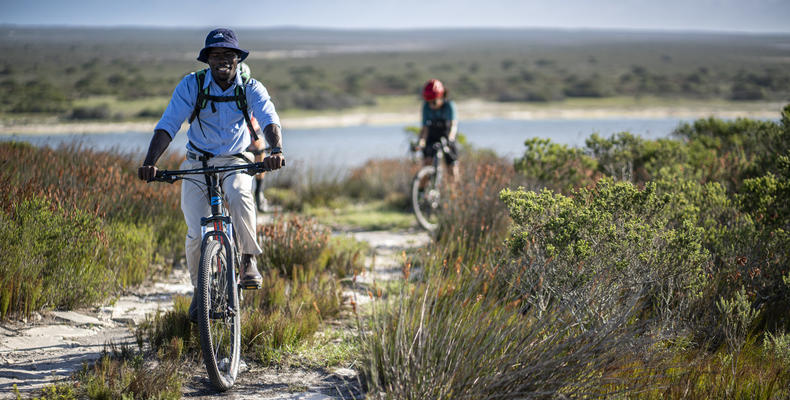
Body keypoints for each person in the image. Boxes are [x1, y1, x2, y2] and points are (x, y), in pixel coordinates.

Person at [137, 28, 284, 322]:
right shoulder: (192, 86)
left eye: (228, 55)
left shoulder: (251, 87)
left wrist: (276, 148)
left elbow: (268, 118)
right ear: (207, 59)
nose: (222, 61)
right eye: (215, 55)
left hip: (235, 158)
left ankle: (248, 259)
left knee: (241, 194)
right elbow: (168, 124)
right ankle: (199, 289)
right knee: (194, 234)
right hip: (197, 161)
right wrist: (150, 161)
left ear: (237, 58)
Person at [416, 79, 459, 181]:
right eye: (429, 102)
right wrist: (421, 142)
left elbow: (453, 125)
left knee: (452, 167)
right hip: (432, 135)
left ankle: (454, 193)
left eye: (434, 102)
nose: (431, 105)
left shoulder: (449, 106)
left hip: (447, 135)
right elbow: (425, 128)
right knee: (427, 162)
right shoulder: (426, 107)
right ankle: (421, 191)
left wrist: (450, 138)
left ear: (441, 96)